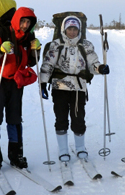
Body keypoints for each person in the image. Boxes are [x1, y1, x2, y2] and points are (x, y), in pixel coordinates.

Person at [39, 15, 109, 160]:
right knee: (61, 117)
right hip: (59, 86)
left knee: (78, 118)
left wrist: (100, 68)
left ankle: (80, 147)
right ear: (64, 29)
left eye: (75, 29)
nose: (72, 32)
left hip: (78, 87)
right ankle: (63, 149)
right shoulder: (56, 45)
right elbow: (48, 65)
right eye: (69, 29)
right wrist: (43, 83)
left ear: (79, 30)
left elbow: (92, 62)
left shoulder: (86, 45)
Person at [0, 6, 40, 170]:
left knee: (14, 117)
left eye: (28, 22)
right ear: (17, 20)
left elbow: (31, 61)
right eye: (23, 21)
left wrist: (36, 50)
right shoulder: (1, 33)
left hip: (16, 80)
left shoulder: (28, 37)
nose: (25, 25)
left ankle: (16, 153)